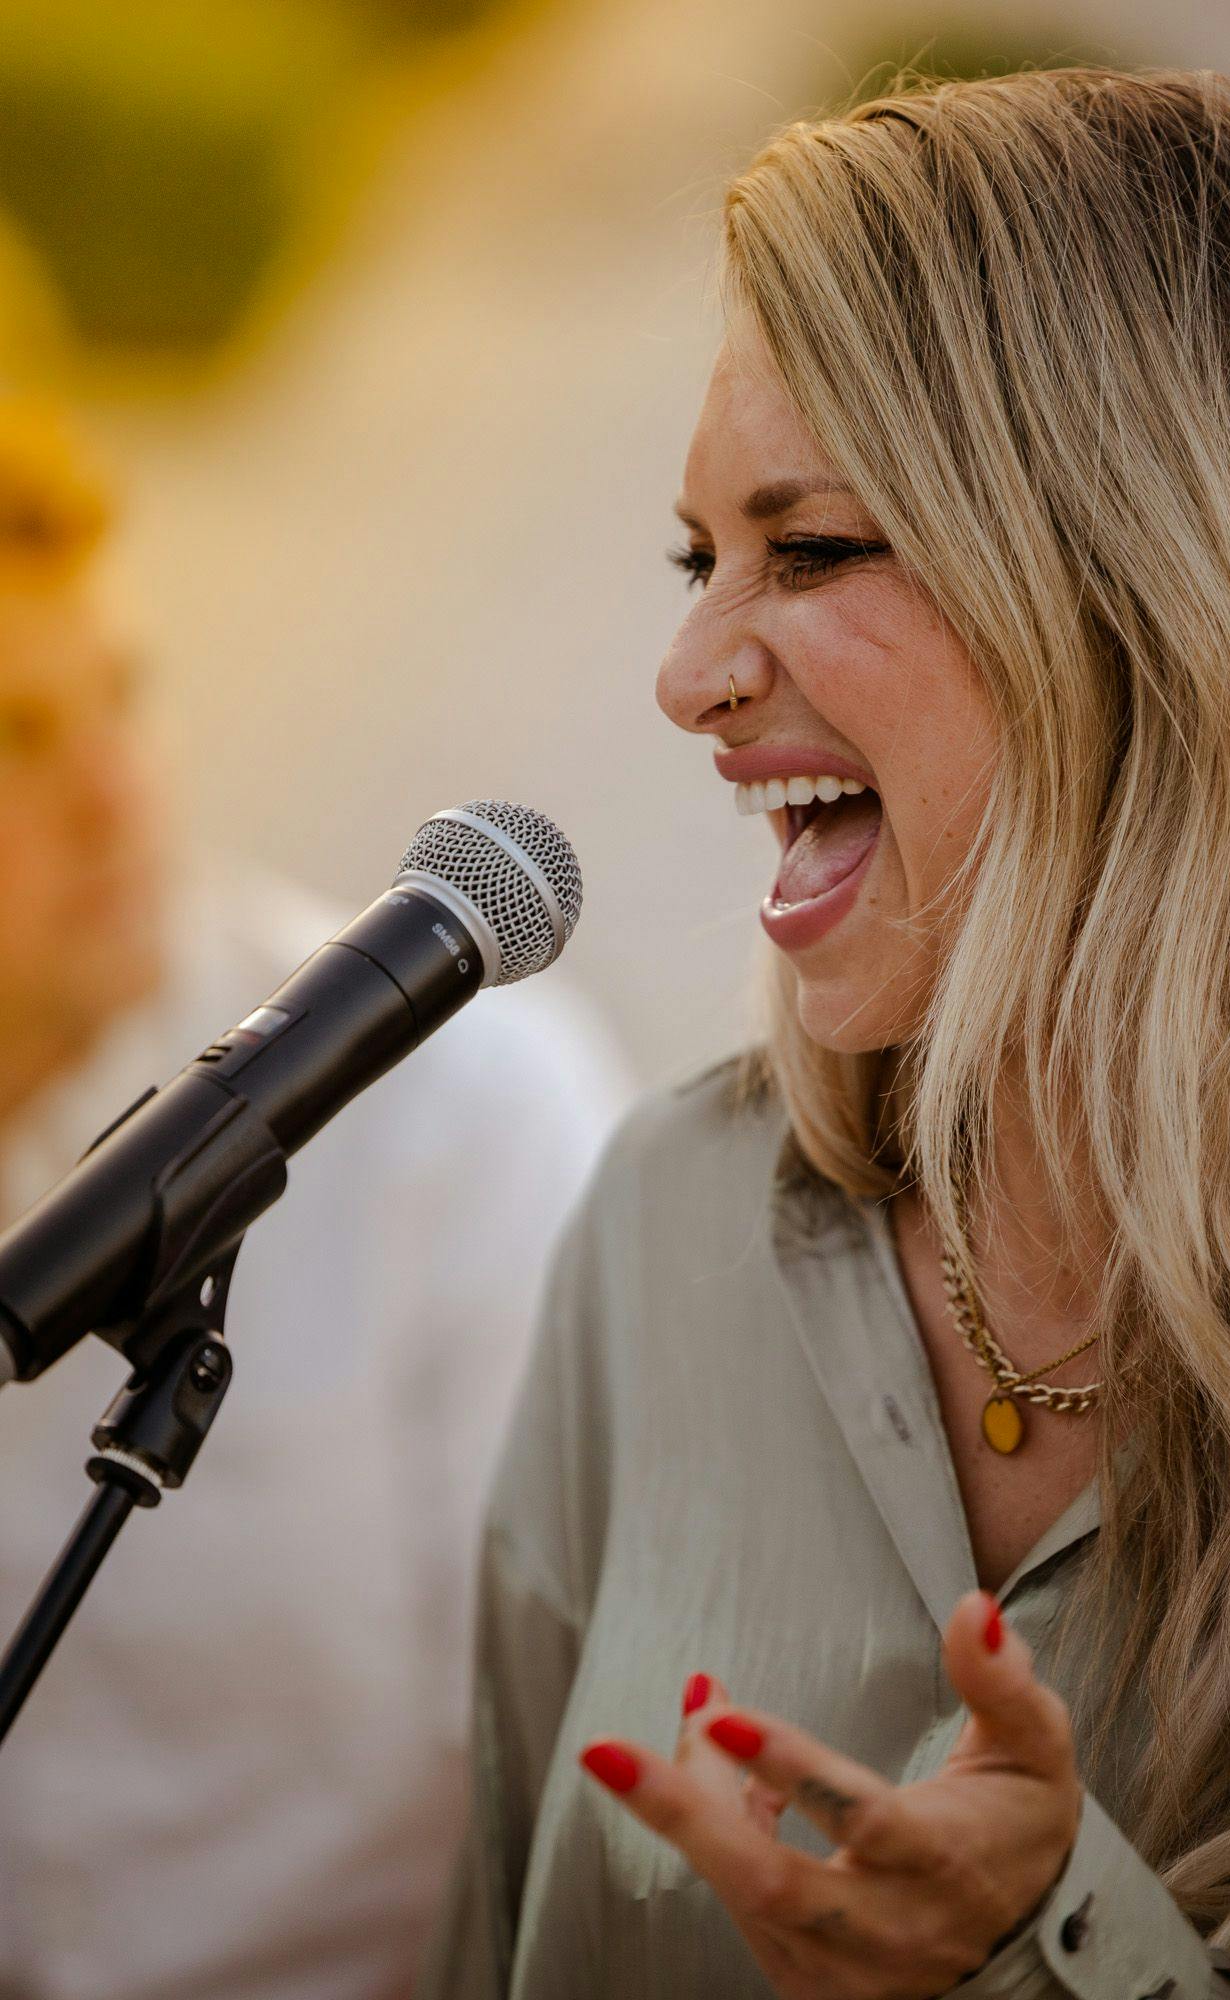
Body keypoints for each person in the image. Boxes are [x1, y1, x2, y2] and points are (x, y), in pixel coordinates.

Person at [420, 67, 1230, 2000]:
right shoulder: (666, 1218)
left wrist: (1051, 1950)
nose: (689, 676)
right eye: (698, 559)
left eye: (811, 549)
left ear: (1143, 598)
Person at [0, 403, 632, 2000]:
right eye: (13, 735)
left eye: (122, 700)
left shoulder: (457, 1113)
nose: (113, 792)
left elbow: (589, 1759)